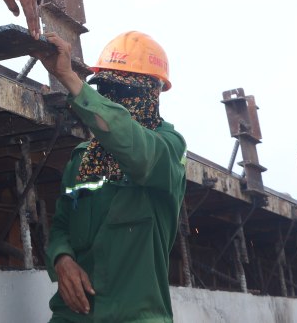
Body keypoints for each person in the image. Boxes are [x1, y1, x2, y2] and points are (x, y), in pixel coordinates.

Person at [38, 31, 186, 322]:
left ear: (154, 93)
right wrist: (62, 259)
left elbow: (129, 141)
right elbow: (61, 227)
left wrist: (69, 78)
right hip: (74, 316)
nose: (114, 98)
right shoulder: (83, 159)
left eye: (126, 90)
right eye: (107, 88)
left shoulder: (168, 149)